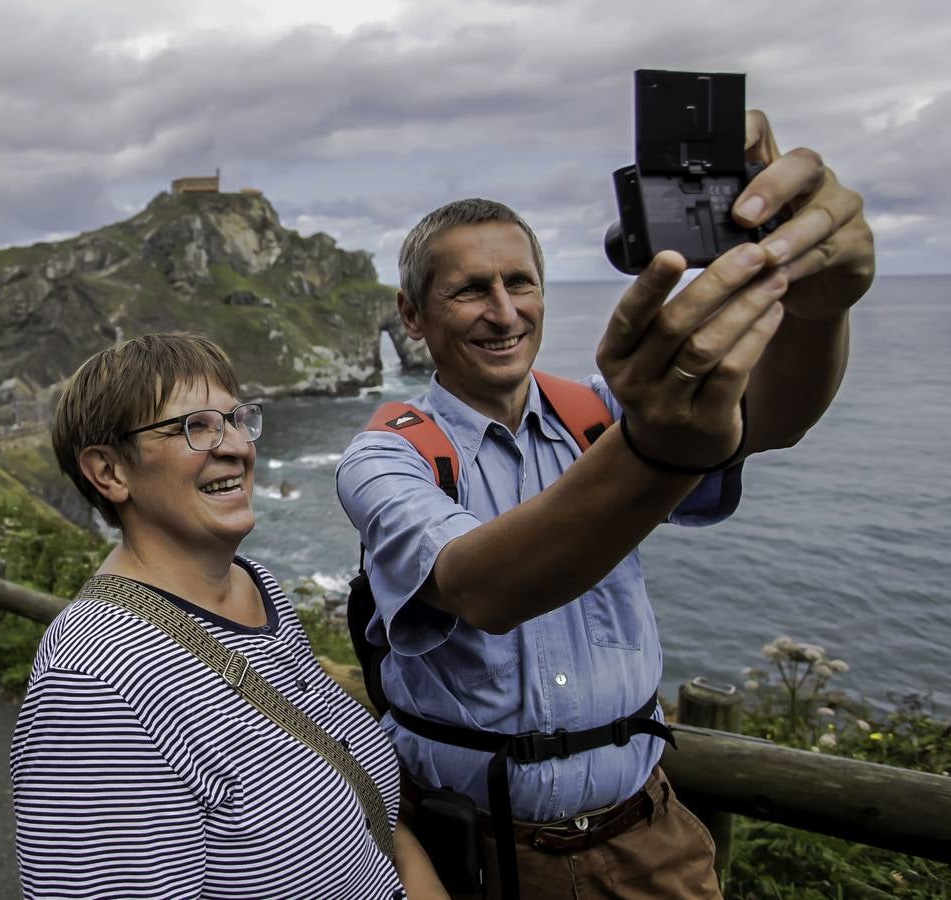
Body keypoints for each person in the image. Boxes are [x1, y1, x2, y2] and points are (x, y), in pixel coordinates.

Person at [335, 113, 874, 898]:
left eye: (519, 283)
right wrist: (657, 448)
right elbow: (485, 588)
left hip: (645, 834)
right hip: (478, 848)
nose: (504, 310)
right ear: (410, 316)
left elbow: (768, 421)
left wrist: (820, 308)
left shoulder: (599, 415)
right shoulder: (385, 457)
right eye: (468, 291)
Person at [11, 333, 447, 899]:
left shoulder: (253, 586)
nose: (237, 447)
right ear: (109, 472)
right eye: (195, 426)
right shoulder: (93, 687)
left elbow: (369, 819)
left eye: (238, 419)